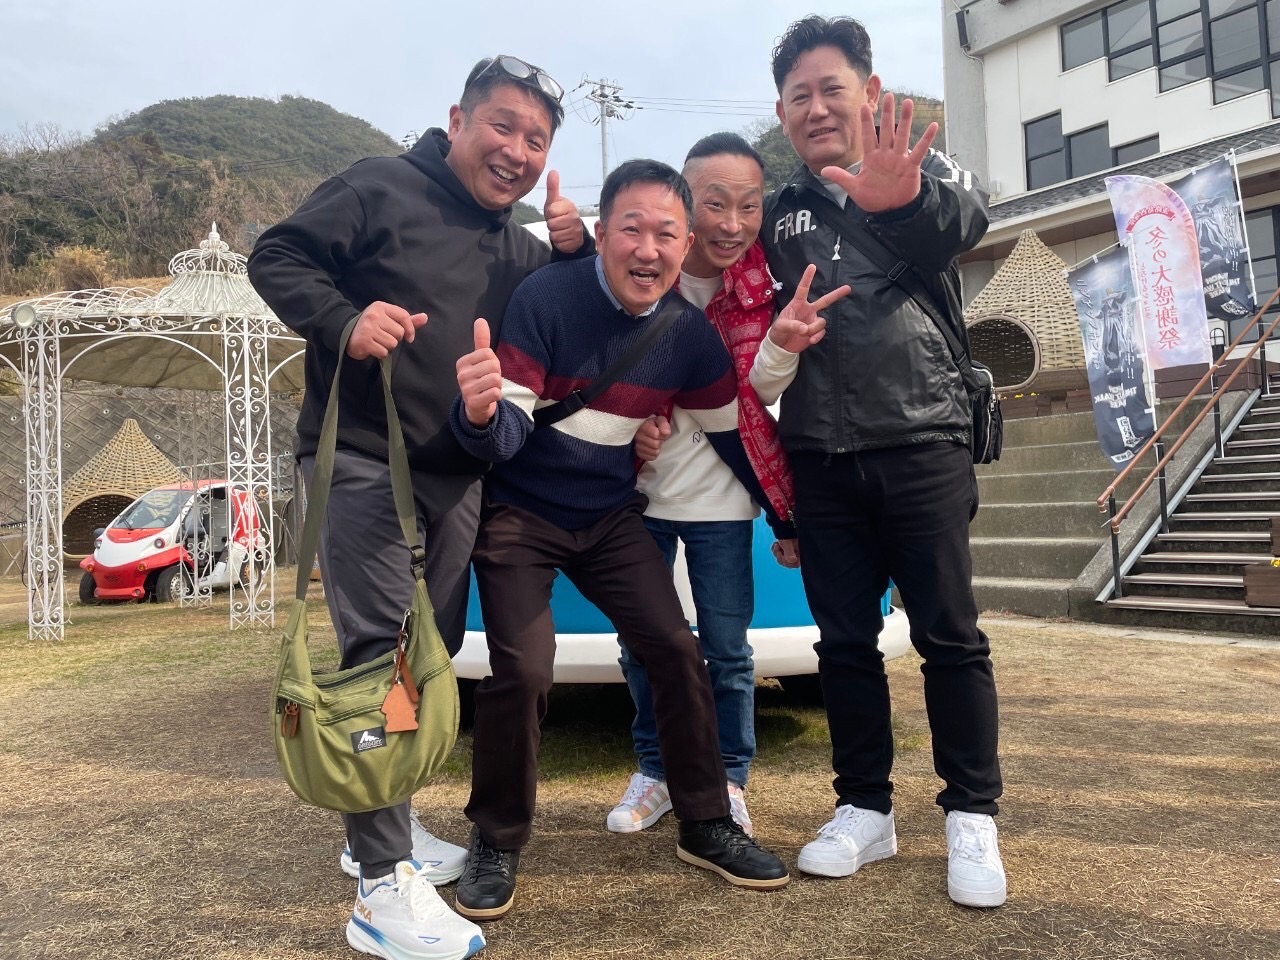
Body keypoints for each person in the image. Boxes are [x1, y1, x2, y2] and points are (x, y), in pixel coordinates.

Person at [248, 54, 590, 960]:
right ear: (458, 119)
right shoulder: (380, 185)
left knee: (419, 665)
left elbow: (579, 318)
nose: (516, 151)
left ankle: (384, 824)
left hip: (455, 481)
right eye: (503, 125)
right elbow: (275, 254)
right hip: (362, 463)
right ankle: (379, 886)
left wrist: (578, 254)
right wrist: (343, 319)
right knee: (377, 658)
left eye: (536, 140)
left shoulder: (519, 249)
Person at [448, 159, 826, 920]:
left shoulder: (687, 335)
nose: (647, 249)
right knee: (524, 668)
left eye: (665, 234)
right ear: (600, 235)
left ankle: (706, 820)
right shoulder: (547, 297)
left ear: (685, 246)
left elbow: (737, 436)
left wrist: (786, 517)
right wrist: (480, 416)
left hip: (610, 516)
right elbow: (507, 430)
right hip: (523, 515)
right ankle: (497, 836)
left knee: (676, 648)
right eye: (632, 229)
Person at [752, 15, 1007, 908]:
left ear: (868, 91)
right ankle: (864, 808)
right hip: (819, 456)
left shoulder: (925, 168)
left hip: (924, 436)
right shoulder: (778, 212)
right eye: (799, 96)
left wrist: (902, 203)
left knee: (949, 636)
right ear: (781, 113)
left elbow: (967, 221)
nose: (816, 108)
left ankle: (971, 813)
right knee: (844, 645)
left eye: (832, 88)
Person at [606, 133, 830, 838]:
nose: (733, 224)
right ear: (684, 204)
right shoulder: (642, 279)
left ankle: (729, 778)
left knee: (728, 653)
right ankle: (654, 769)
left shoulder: (766, 284)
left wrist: (781, 344)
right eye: (715, 204)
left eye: (749, 206)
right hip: (640, 497)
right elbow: (598, 372)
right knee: (640, 645)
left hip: (724, 502)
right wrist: (633, 428)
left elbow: (759, 395)